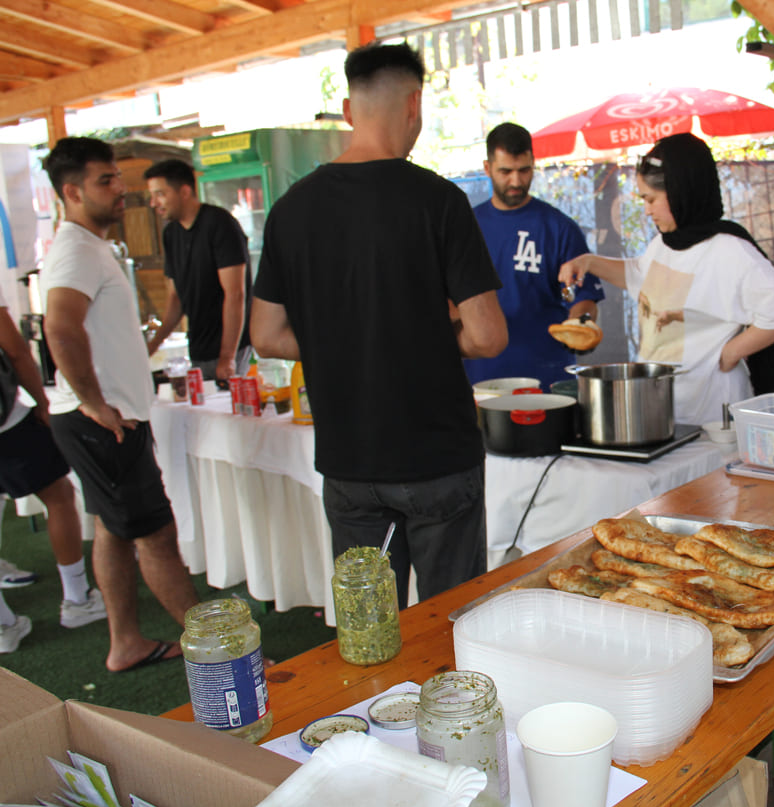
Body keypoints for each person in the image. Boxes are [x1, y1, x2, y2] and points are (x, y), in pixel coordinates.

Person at [249, 43, 507, 608]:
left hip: (348, 461)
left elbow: (265, 335)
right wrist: (426, 339)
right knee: (453, 625)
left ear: (348, 109)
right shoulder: (439, 201)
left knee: (372, 632)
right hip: (436, 455)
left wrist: (338, 345)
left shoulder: (291, 209)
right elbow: (487, 336)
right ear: (415, 104)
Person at [40, 136, 198, 672]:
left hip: (104, 417)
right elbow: (59, 328)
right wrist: (95, 402)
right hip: (103, 422)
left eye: (116, 177)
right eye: (105, 181)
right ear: (71, 191)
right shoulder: (74, 250)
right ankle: (213, 646)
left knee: (112, 526)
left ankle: (124, 642)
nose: (121, 189)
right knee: (156, 536)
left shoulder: (90, 246)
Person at [558, 133, 774, 426]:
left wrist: (731, 351)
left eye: (651, 199)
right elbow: (640, 275)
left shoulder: (728, 250)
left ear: (681, 191)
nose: (647, 209)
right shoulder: (665, 244)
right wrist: (589, 262)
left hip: (712, 411)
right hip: (664, 404)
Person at [0, 287, 109, 653]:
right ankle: (78, 599)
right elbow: (15, 350)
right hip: (8, 426)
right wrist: (42, 401)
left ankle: (3, 625)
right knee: (59, 496)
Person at [463, 123, 603, 389]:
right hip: (481, 382)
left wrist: (581, 323)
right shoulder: (465, 228)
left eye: (524, 170)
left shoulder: (560, 228)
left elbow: (584, 300)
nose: (516, 181)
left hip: (548, 382)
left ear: (533, 164)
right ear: (487, 168)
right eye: (505, 171)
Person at [143, 158, 253, 383]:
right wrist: (152, 346)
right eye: (152, 196)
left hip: (230, 347)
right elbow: (176, 299)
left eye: (160, 194)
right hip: (198, 347)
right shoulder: (171, 233)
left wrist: (228, 356)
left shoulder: (219, 224)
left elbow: (235, 294)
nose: (154, 203)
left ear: (184, 191)